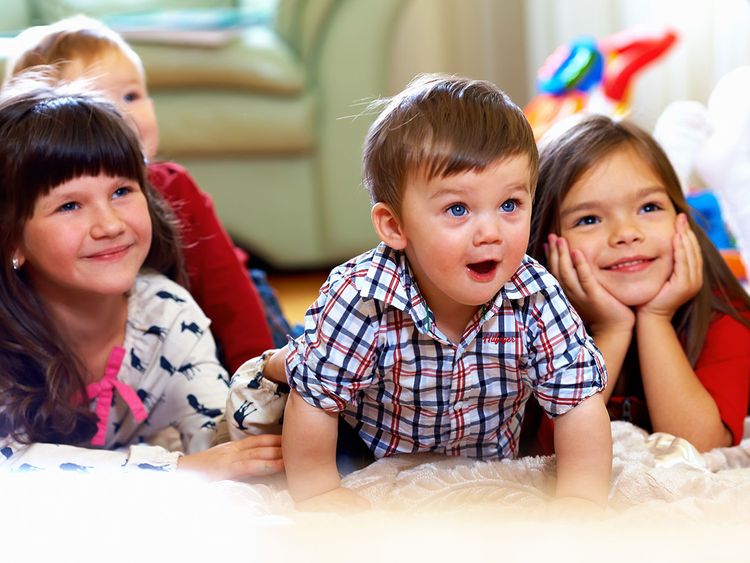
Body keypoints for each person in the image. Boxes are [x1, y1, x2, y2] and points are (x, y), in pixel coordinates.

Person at [231, 74, 613, 511]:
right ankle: (286, 359)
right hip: (363, 446)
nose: (490, 233)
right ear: (395, 227)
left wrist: (582, 498)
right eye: (457, 209)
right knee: (282, 424)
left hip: (482, 461)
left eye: (510, 205)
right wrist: (319, 491)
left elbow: (578, 401)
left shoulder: (535, 294)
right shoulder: (362, 297)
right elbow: (317, 402)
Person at [0, 79, 283, 478]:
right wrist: (175, 469)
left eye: (120, 192)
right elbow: (10, 466)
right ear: (12, 240)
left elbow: (222, 448)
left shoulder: (167, 315)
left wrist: (271, 377)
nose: (110, 225)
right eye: (69, 205)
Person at [2, 15, 288, 373]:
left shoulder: (172, 187)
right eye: (92, 103)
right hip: (118, 338)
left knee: (294, 366)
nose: (122, 115)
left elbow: (231, 300)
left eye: (131, 95)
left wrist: (259, 386)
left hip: (222, 310)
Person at [526, 114, 750, 455]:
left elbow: (699, 446)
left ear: (682, 219)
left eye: (649, 207)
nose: (627, 234)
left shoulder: (724, 314)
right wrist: (612, 329)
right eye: (589, 219)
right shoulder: (523, 323)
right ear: (545, 240)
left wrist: (655, 318)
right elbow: (545, 451)